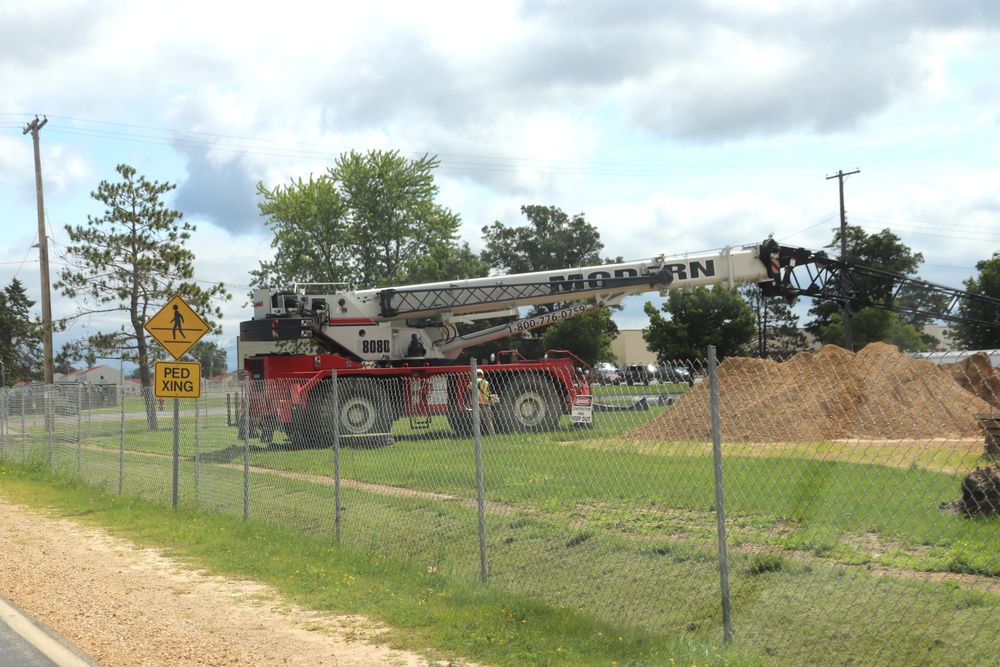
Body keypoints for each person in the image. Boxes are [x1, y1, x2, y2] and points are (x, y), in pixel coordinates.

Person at [469, 369, 495, 435]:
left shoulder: (472, 383)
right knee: (489, 420)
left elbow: (468, 393)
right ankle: (492, 434)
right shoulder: (486, 383)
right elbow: (490, 393)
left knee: (476, 421)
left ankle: (476, 435)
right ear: (481, 375)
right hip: (486, 405)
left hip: (476, 405)